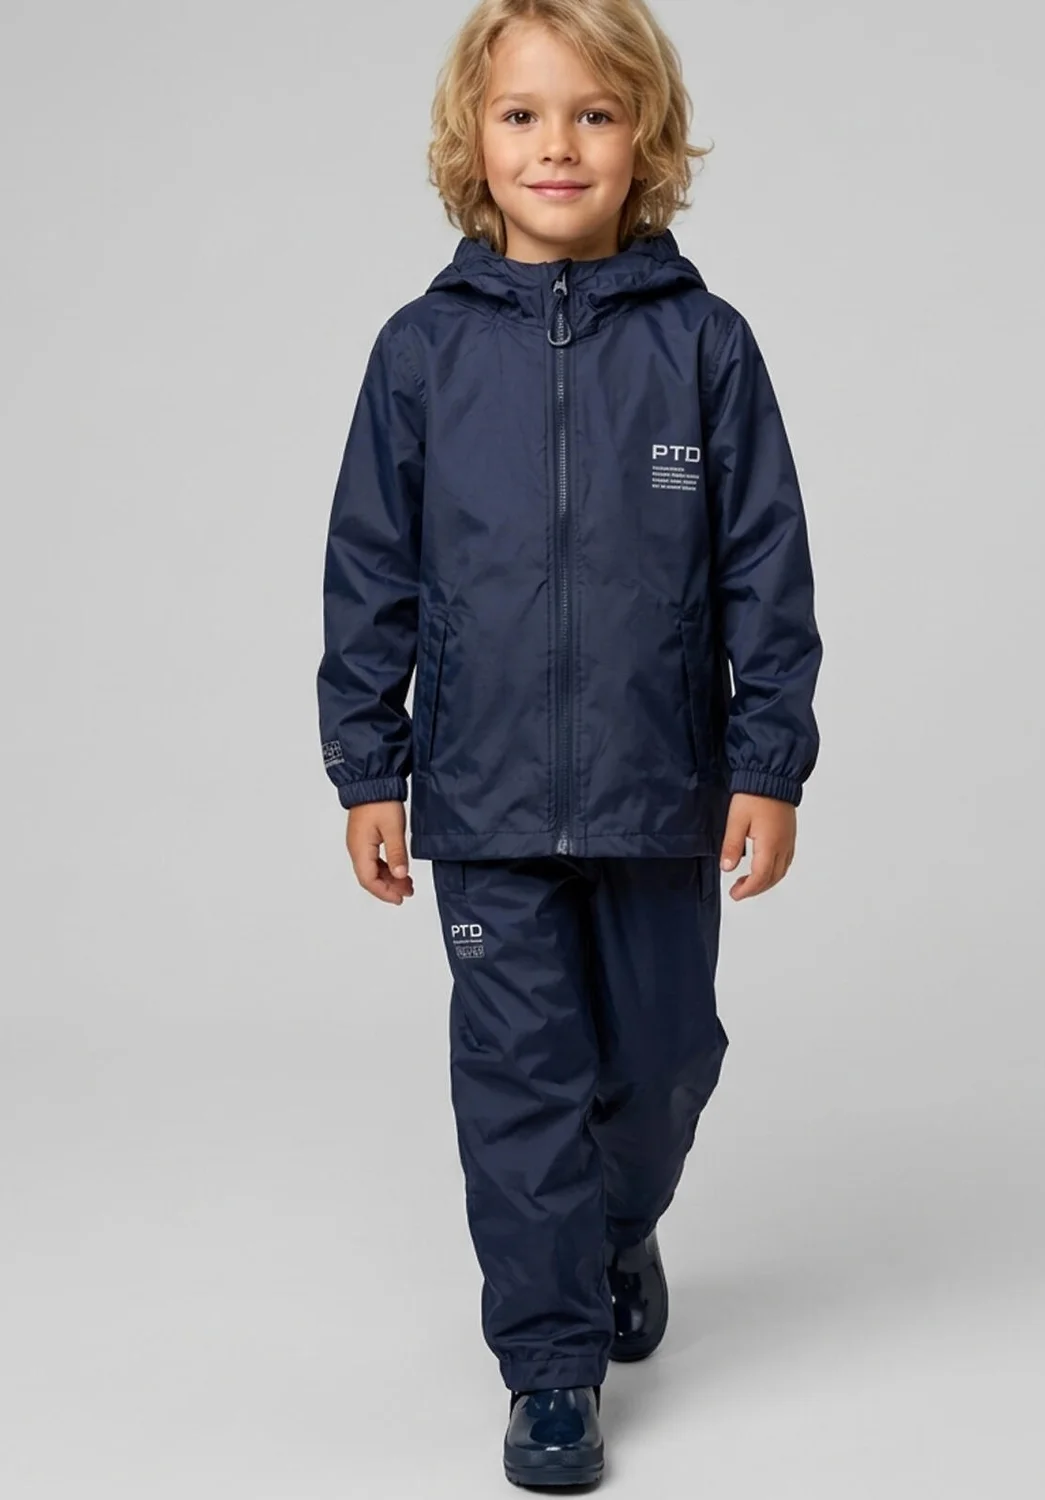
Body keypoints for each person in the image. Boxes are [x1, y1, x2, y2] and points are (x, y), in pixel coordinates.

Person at [315, 0, 822, 1486]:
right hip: (480, 801)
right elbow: (369, 569)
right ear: (472, 139)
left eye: (594, 113)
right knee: (519, 1083)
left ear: (644, 135)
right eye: (523, 114)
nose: (557, 145)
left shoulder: (703, 346)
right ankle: (550, 1367)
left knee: (664, 1063)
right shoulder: (420, 354)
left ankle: (617, 1226)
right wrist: (367, 767)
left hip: (661, 788)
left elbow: (766, 568)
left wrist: (768, 761)